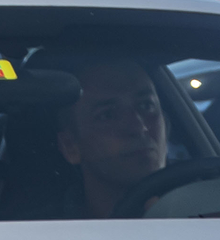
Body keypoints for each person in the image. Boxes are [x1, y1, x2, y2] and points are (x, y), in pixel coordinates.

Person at [55, 60, 169, 218]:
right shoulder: (42, 235)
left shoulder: (207, 209)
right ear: (70, 146)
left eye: (146, 105)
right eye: (107, 115)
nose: (138, 127)